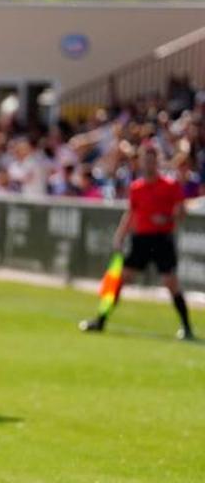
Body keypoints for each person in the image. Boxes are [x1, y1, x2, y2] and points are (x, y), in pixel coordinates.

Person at [80, 144, 194, 340]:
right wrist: (120, 235)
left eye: (152, 159)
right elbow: (130, 213)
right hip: (140, 240)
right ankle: (100, 320)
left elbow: (182, 212)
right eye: (145, 159)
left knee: (170, 282)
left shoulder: (170, 185)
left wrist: (167, 219)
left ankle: (187, 328)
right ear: (141, 161)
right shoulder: (136, 187)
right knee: (119, 280)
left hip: (162, 239)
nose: (148, 163)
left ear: (157, 161)